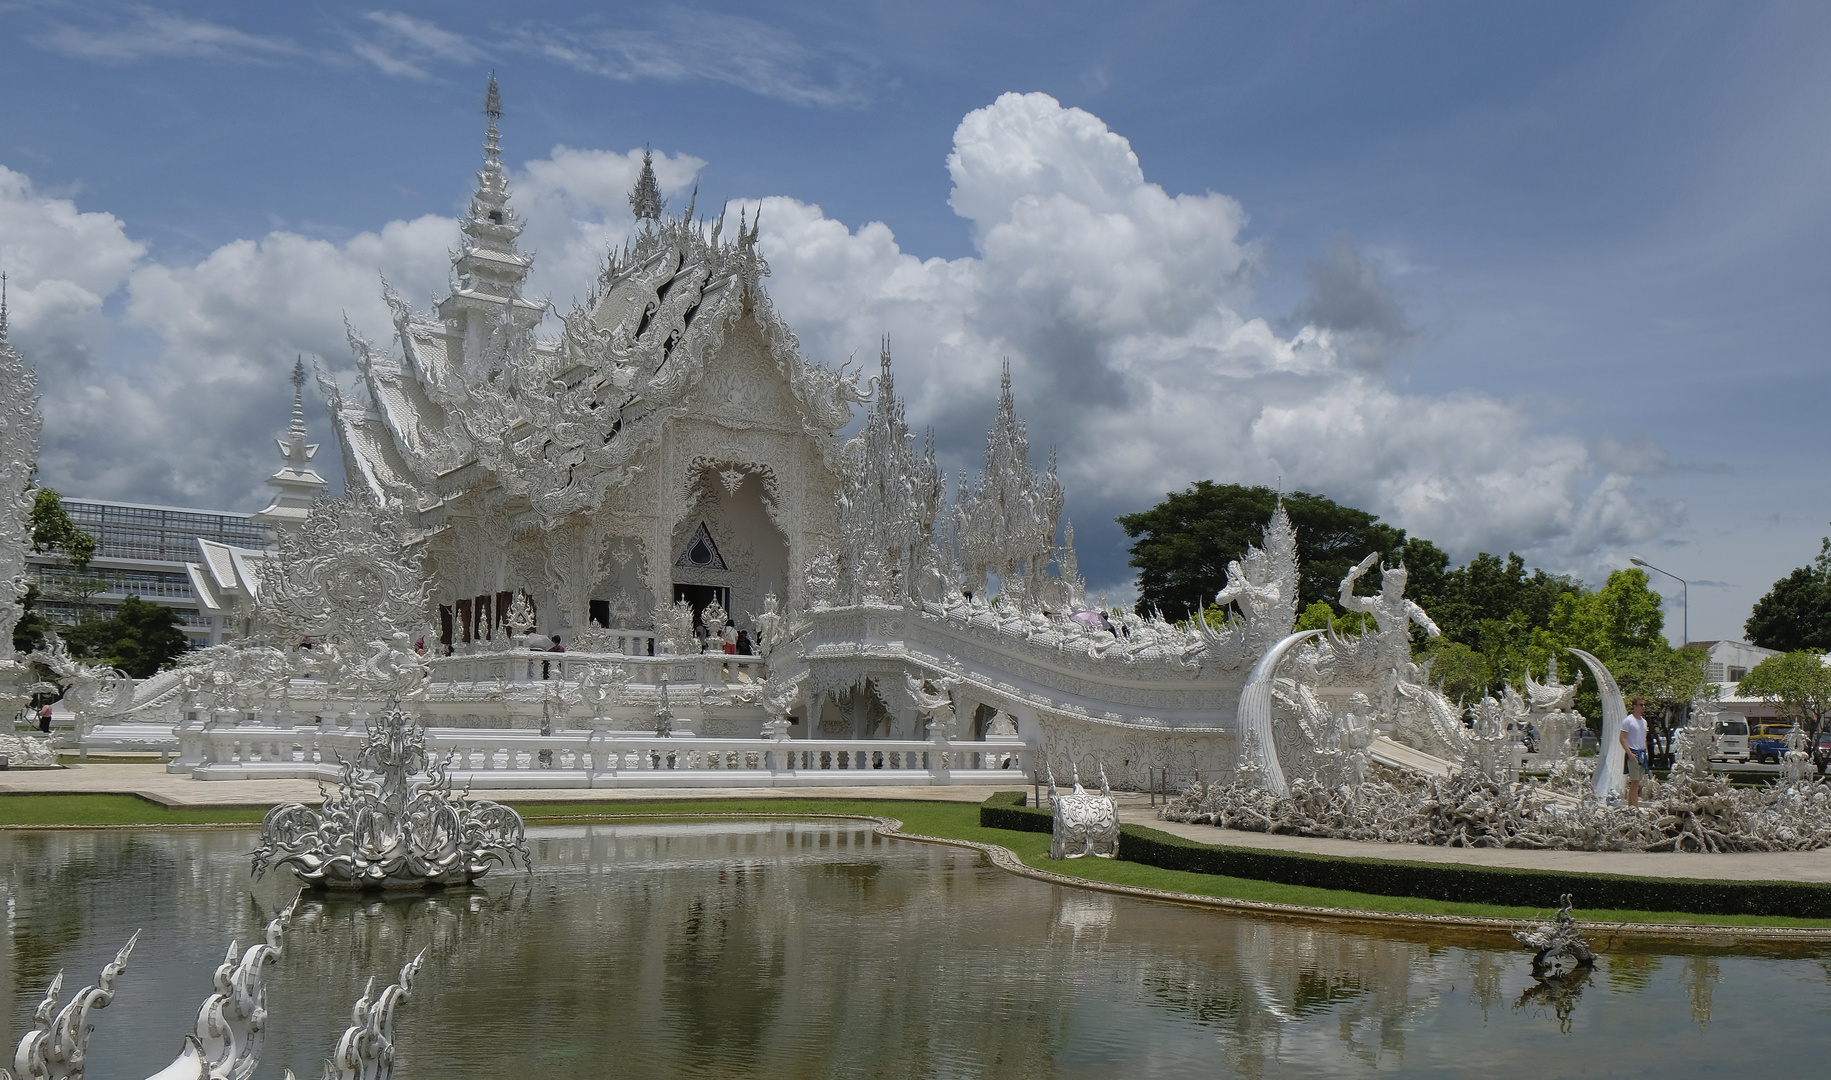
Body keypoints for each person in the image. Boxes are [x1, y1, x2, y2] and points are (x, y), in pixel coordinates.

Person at [1621, 696, 1651, 807]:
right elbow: (1622, 738)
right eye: (1641, 705)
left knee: (1636, 783)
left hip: (1642, 753)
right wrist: (1629, 753)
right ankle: (1635, 808)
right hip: (1633, 753)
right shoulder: (1628, 720)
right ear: (1635, 706)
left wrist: (1646, 753)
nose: (1643, 707)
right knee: (1635, 782)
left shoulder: (1644, 722)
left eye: (1644, 705)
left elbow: (1644, 738)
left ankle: (1630, 807)